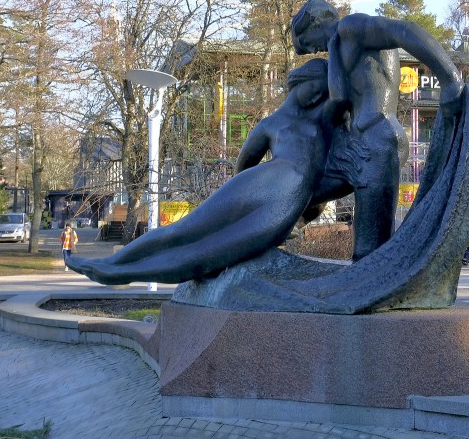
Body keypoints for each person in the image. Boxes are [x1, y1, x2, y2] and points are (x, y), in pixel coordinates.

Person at [69, 59, 344, 285]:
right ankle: (110, 263)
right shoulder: (272, 124)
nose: (320, 96)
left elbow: (346, 83)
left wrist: (300, 216)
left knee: (210, 253)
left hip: (287, 198)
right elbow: (244, 165)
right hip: (258, 185)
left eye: (324, 92)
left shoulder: (324, 119)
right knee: (184, 231)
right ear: (300, 83)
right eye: (317, 89)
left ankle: (122, 272)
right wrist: (239, 198)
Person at [291, 0, 466, 260]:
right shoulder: (338, 45)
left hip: (378, 141)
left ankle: (371, 292)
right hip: (358, 146)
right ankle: (276, 235)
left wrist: (449, 77)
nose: (312, 49)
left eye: (306, 43)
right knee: (304, 189)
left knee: (370, 251)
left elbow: (404, 30)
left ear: (314, 22)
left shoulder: (351, 27)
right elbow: (339, 99)